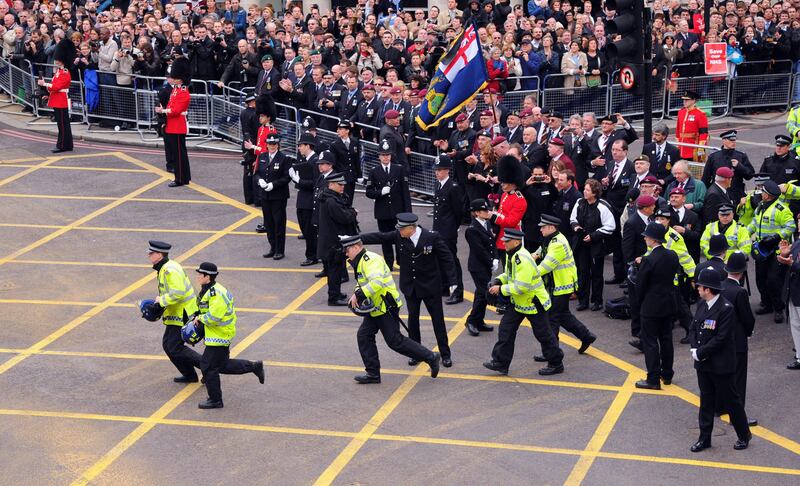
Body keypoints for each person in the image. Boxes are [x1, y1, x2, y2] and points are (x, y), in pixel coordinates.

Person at [360, 213, 457, 368]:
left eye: (401, 229)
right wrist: (356, 238)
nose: (399, 232)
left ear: (411, 228)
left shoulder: (432, 237)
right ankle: (417, 353)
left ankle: (445, 354)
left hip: (430, 286)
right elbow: (380, 237)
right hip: (411, 287)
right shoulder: (400, 236)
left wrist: (453, 281)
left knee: (438, 321)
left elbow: (447, 258)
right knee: (413, 320)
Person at [341, 235, 441, 385]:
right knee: (364, 336)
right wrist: (357, 294)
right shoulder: (360, 261)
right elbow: (363, 282)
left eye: (347, 250)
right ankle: (373, 373)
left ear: (356, 247)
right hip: (376, 307)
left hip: (386, 306)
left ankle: (431, 357)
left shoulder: (371, 260)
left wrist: (358, 294)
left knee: (395, 341)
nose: (346, 254)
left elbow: (377, 282)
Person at [484, 229, 565, 376]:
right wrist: (498, 280)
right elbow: (510, 275)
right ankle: (500, 362)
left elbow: (522, 286)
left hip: (534, 303)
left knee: (544, 334)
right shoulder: (512, 255)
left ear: (516, 242)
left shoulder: (522, 259)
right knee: (505, 330)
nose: (504, 243)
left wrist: (500, 289)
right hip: (520, 302)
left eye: (506, 241)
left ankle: (556, 362)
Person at [689, 267, 752, 453]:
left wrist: (700, 352)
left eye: (699, 286)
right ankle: (704, 438)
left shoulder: (726, 309)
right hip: (703, 364)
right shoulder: (702, 304)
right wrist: (694, 347)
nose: (697, 289)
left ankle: (743, 434)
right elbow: (694, 328)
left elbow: (721, 338)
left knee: (731, 401)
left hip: (720, 364)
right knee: (706, 401)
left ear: (707, 289)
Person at [189, 262, 265, 409]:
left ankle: (215, 399)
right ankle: (254, 366)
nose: (197, 276)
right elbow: (204, 309)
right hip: (215, 333)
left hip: (220, 334)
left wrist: (200, 319)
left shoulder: (216, 293)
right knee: (222, 365)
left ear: (208, 277)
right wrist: (196, 315)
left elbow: (215, 316)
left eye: (200, 274)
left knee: (207, 365)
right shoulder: (207, 290)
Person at [536, 214, 596, 355]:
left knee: (552, 318)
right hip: (557, 284)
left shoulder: (557, 243)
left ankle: (552, 352)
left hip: (561, 286)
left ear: (551, 227)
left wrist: (528, 275)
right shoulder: (549, 239)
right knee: (562, 315)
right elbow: (537, 253)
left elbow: (545, 267)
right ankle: (586, 336)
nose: (540, 230)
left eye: (543, 227)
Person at [147, 240, 201, 383]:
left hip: (182, 312)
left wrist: (161, 301)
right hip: (174, 312)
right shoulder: (164, 267)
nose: (149, 255)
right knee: (168, 345)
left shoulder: (170, 269)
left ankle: (207, 367)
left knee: (174, 347)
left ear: (159, 254)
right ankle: (190, 374)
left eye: (151, 253)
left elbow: (178, 293)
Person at [634, 222, 680, 390]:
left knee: (651, 343)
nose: (645, 238)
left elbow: (640, 285)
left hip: (651, 306)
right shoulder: (672, 255)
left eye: (646, 236)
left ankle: (653, 378)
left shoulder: (649, 259)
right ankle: (667, 374)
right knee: (666, 340)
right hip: (668, 303)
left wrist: (639, 304)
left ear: (653, 239)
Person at [748, 180, 795, 323]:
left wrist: (777, 236)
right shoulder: (760, 207)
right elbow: (755, 224)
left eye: (763, 192)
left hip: (775, 250)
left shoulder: (781, 209)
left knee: (773, 280)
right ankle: (766, 304)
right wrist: (744, 232)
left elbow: (791, 226)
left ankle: (778, 308)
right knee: (760, 279)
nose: (761, 194)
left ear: (768, 195)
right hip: (762, 249)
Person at [720, 252, 758, 427]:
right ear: (742, 272)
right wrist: (748, 332)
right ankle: (738, 416)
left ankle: (720, 407)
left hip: (721, 341)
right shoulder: (740, 292)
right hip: (737, 342)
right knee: (738, 380)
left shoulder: (719, 287)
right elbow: (747, 319)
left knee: (723, 376)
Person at [364, 139, 412, 270]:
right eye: (383, 155)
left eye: (387, 155)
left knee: (400, 238)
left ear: (391, 156)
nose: (385, 157)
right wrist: (380, 192)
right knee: (385, 239)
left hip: (398, 211)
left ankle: (401, 261)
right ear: (379, 156)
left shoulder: (399, 170)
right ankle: (388, 263)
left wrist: (408, 213)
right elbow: (368, 192)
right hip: (383, 212)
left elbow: (405, 193)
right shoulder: (374, 172)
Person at [571, 178, 616, 311]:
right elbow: (572, 218)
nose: (584, 192)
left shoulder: (603, 206)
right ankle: (583, 300)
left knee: (596, 274)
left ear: (595, 192)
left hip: (597, 245)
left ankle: (597, 301)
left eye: (587, 190)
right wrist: (576, 227)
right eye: (584, 189)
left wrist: (593, 236)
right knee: (583, 273)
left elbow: (610, 226)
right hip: (582, 244)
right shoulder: (579, 202)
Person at [318, 171, 359, 306]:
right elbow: (344, 217)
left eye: (343, 184)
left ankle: (336, 292)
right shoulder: (331, 201)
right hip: (333, 242)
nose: (342, 187)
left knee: (337, 268)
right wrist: (353, 212)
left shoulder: (331, 197)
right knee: (334, 270)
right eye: (339, 184)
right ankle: (333, 297)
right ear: (331, 184)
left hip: (333, 240)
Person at [432, 155, 466, 304]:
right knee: (440, 259)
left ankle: (458, 291)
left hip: (448, 230)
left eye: (440, 170)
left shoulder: (453, 187)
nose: (437, 173)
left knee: (451, 260)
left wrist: (453, 227)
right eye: (436, 170)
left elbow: (458, 211)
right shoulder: (438, 185)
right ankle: (444, 286)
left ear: (447, 170)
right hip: (438, 229)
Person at [156, 57, 192, 187]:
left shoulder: (183, 92)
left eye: (176, 77)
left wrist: (163, 111)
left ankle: (180, 179)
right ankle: (184, 177)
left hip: (177, 126)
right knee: (177, 154)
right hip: (172, 125)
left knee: (178, 155)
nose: (173, 79)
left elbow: (176, 110)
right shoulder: (177, 90)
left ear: (181, 78)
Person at [464, 198, 497, 336]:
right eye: (484, 210)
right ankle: (471, 321)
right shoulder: (472, 230)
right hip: (477, 266)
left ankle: (478, 321)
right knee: (485, 293)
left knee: (480, 294)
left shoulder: (487, 223)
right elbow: (479, 250)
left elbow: (492, 242)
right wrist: (491, 262)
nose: (487, 212)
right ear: (476, 213)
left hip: (486, 265)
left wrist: (495, 257)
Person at [257, 133, 291, 260]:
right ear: (266, 144)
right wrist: (259, 180)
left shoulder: (284, 158)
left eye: (274, 144)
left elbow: (287, 177)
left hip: (278, 196)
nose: (272, 146)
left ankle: (280, 250)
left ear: (278, 145)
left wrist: (274, 184)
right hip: (265, 195)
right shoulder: (262, 156)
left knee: (279, 223)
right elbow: (257, 173)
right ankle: (272, 247)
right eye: (270, 144)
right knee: (269, 223)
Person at [38, 38, 73, 153]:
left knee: (62, 125)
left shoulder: (65, 72)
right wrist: (48, 94)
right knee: (62, 124)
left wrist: (44, 84)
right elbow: (54, 86)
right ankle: (67, 144)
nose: (56, 61)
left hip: (61, 101)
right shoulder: (59, 71)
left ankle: (62, 145)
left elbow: (56, 86)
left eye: (58, 59)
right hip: (57, 99)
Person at [701, 130, 754, 203]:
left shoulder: (741, 156)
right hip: (718, 194)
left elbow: (750, 175)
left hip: (736, 195)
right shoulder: (713, 157)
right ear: (724, 141)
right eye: (731, 140)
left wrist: (739, 166)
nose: (734, 142)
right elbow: (705, 178)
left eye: (734, 140)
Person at [290, 133, 319, 266]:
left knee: (309, 230)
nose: (299, 148)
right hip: (303, 199)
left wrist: (298, 180)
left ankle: (312, 256)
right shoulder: (306, 160)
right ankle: (314, 253)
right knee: (304, 228)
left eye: (301, 145)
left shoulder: (315, 161)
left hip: (309, 201)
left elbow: (315, 183)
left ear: (308, 146)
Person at [778, 238, 800, 370]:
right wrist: (784, 254)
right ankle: (799, 356)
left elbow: (795, 265)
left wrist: (792, 264)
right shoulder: (797, 242)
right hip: (793, 292)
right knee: (795, 325)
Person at [675, 90, 709, 161]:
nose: (684, 101)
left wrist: (700, 148)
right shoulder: (681, 112)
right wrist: (677, 144)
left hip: (693, 148)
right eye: (684, 100)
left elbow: (703, 133)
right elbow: (678, 130)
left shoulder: (700, 114)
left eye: (687, 100)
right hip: (681, 147)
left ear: (693, 101)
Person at [238, 94, 259, 206]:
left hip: (245, 143)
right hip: (253, 143)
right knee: (255, 171)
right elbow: (256, 130)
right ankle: (256, 198)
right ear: (253, 102)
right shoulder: (255, 114)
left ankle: (248, 198)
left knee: (247, 172)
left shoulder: (243, 113)